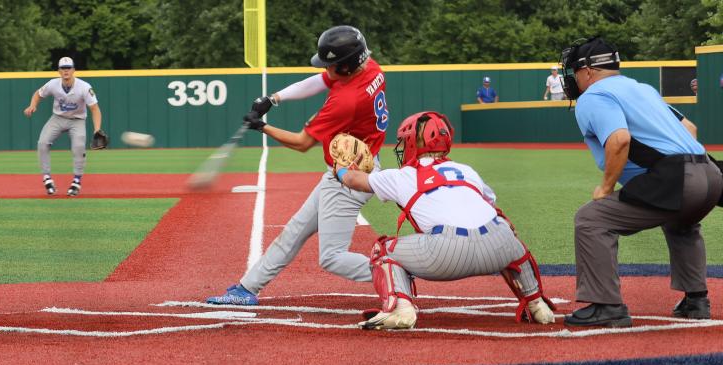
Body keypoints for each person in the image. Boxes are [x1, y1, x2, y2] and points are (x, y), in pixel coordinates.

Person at [205, 25, 388, 305]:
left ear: (346, 66)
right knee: (295, 230)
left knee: (332, 257)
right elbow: (322, 80)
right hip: (354, 165)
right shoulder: (369, 67)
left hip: (350, 177)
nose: (326, 69)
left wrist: (262, 127)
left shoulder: (345, 101)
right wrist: (274, 98)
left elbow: (303, 143)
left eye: (331, 64)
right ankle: (247, 288)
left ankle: (394, 273)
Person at [333, 111, 555, 329]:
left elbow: (354, 180)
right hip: (498, 247)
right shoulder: (466, 170)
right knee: (505, 230)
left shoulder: (404, 176)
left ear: (413, 142)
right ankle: (537, 304)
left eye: (404, 141)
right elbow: (492, 207)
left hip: (448, 253)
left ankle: (401, 309)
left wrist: (340, 169)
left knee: (382, 250)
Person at [558, 37, 723, 327]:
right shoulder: (642, 89)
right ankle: (696, 301)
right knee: (680, 220)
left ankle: (606, 306)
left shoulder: (593, 96)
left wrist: (606, 187)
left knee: (591, 219)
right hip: (711, 174)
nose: (573, 79)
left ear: (588, 71)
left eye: (574, 72)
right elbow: (690, 129)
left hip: (680, 177)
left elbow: (620, 140)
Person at [23, 57, 106, 197]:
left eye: (68, 68)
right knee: (42, 143)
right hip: (58, 118)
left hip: (77, 120)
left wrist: (97, 129)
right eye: (63, 68)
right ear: (58, 71)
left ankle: (76, 182)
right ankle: (47, 179)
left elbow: (95, 109)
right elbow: (38, 94)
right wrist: (33, 105)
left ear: (73, 70)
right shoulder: (53, 84)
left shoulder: (84, 87)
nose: (66, 70)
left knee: (78, 148)